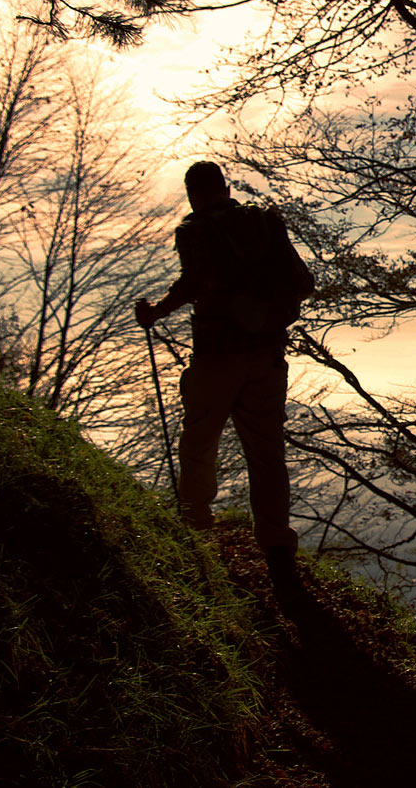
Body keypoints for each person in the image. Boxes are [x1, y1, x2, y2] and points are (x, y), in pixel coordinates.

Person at [136, 161, 314, 588]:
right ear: (226, 187)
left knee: (199, 440)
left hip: (217, 353)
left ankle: (194, 524)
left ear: (193, 193)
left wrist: (157, 311)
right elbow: (301, 281)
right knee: (267, 453)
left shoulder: (194, 231)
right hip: (267, 356)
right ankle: (275, 540)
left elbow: (191, 282)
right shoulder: (265, 224)